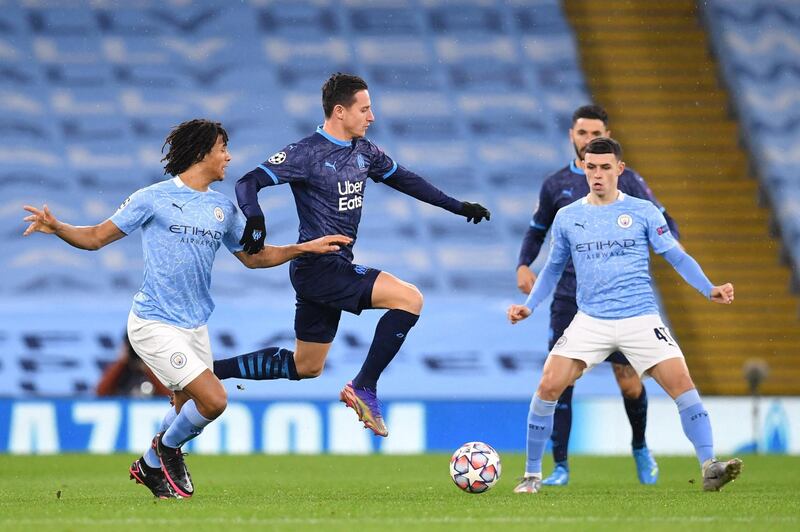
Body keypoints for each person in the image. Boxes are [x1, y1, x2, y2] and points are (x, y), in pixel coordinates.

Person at [22, 119, 350, 499]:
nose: (229, 156)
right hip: (153, 322)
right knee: (214, 400)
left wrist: (302, 248)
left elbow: (253, 258)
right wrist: (58, 226)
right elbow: (96, 237)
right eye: (223, 148)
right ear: (202, 152)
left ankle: (147, 465)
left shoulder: (222, 209)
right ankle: (168, 450)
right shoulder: (152, 198)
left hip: (195, 325)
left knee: (184, 406)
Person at [212, 73, 491, 437]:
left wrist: (457, 206)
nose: (371, 117)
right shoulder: (306, 153)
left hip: (329, 268)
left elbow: (407, 180)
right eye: (365, 109)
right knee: (409, 299)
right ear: (340, 111)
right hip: (317, 266)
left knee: (307, 366)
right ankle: (364, 386)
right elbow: (248, 182)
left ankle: (210, 372)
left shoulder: (365, 153)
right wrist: (256, 216)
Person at [507, 137, 742, 494]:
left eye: (605, 167)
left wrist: (708, 287)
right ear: (583, 168)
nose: (597, 175)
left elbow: (676, 255)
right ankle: (532, 476)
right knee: (548, 386)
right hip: (590, 321)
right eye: (591, 167)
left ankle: (710, 467)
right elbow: (553, 269)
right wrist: (530, 305)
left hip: (640, 319)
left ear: (620, 169)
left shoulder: (644, 211)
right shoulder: (568, 217)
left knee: (683, 387)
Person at [516, 105, 680, 486]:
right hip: (569, 298)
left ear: (606, 135)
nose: (588, 140)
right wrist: (524, 264)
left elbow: (665, 223)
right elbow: (536, 229)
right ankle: (559, 466)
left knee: (628, 380)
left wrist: (662, 251)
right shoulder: (555, 185)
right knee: (560, 382)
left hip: (621, 301)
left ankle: (639, 445)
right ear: (572, 135)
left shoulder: (632, 183)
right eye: (582, 133)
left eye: (595, 134)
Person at [96, 332, 171, 397]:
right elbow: (100, 392)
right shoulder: (119, 371)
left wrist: (149, 366)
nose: (137, 351)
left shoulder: (156, 370)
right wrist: (121, 362)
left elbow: (169, 397)